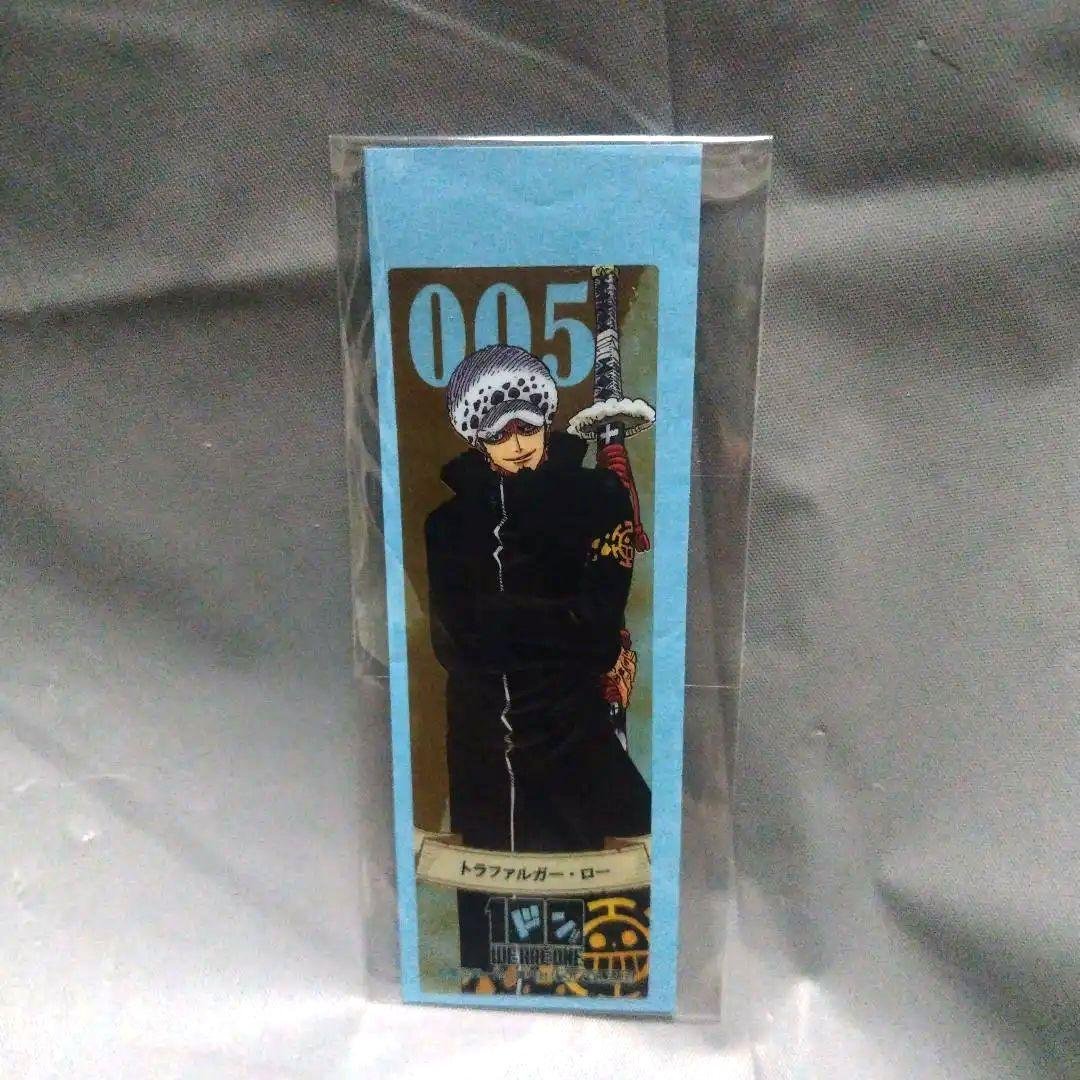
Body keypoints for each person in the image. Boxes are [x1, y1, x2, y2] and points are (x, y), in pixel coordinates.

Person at [425, 344, 652, 983]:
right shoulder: (448, 524)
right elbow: (454, 644)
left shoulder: (597, 496)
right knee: (493, 889)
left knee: (616, 845)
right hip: (481, 729)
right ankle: (494, 981)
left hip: (570, 716)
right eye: (499, 432)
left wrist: (507, 624)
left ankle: (610, 976)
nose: (519, 443)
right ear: (474, 435)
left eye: (529, 424)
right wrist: (559, 623)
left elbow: (598, 622)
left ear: (548, 417)